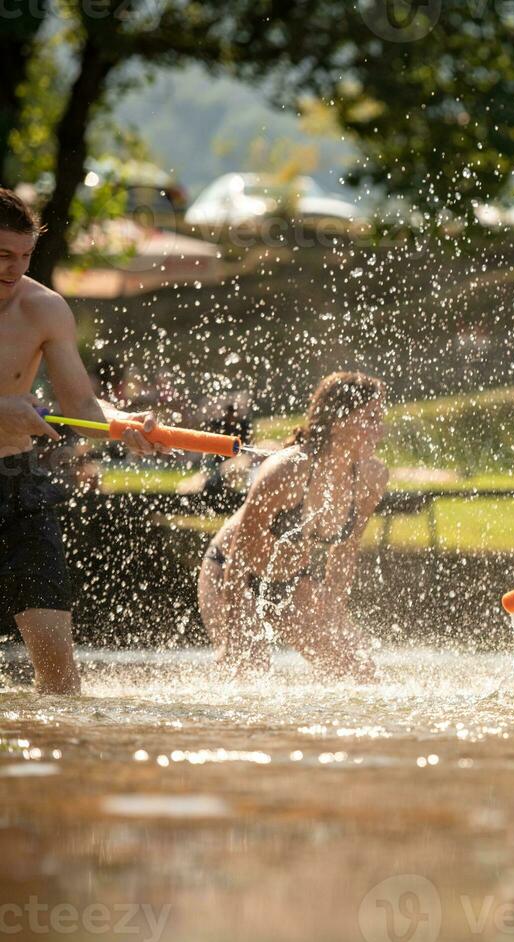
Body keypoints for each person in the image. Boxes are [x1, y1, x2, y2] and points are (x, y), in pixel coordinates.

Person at [0, 188, 160, 694]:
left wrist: (123, 423)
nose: (14, 268)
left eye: (24, 256)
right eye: (3, 254)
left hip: (16, 487)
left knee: (61, 677)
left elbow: (83, 410)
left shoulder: (44, 308)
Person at [197, 372, 387, 681]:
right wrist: (234, 634)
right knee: (249, 671)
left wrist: (334, 616)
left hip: (291, 581)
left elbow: (344, 554)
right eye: (371, 419)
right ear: (339, 420)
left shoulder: (371, 477)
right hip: (230, 574)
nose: (381, 430)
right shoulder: (287, 470)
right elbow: (238, 558)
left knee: (360, 673)